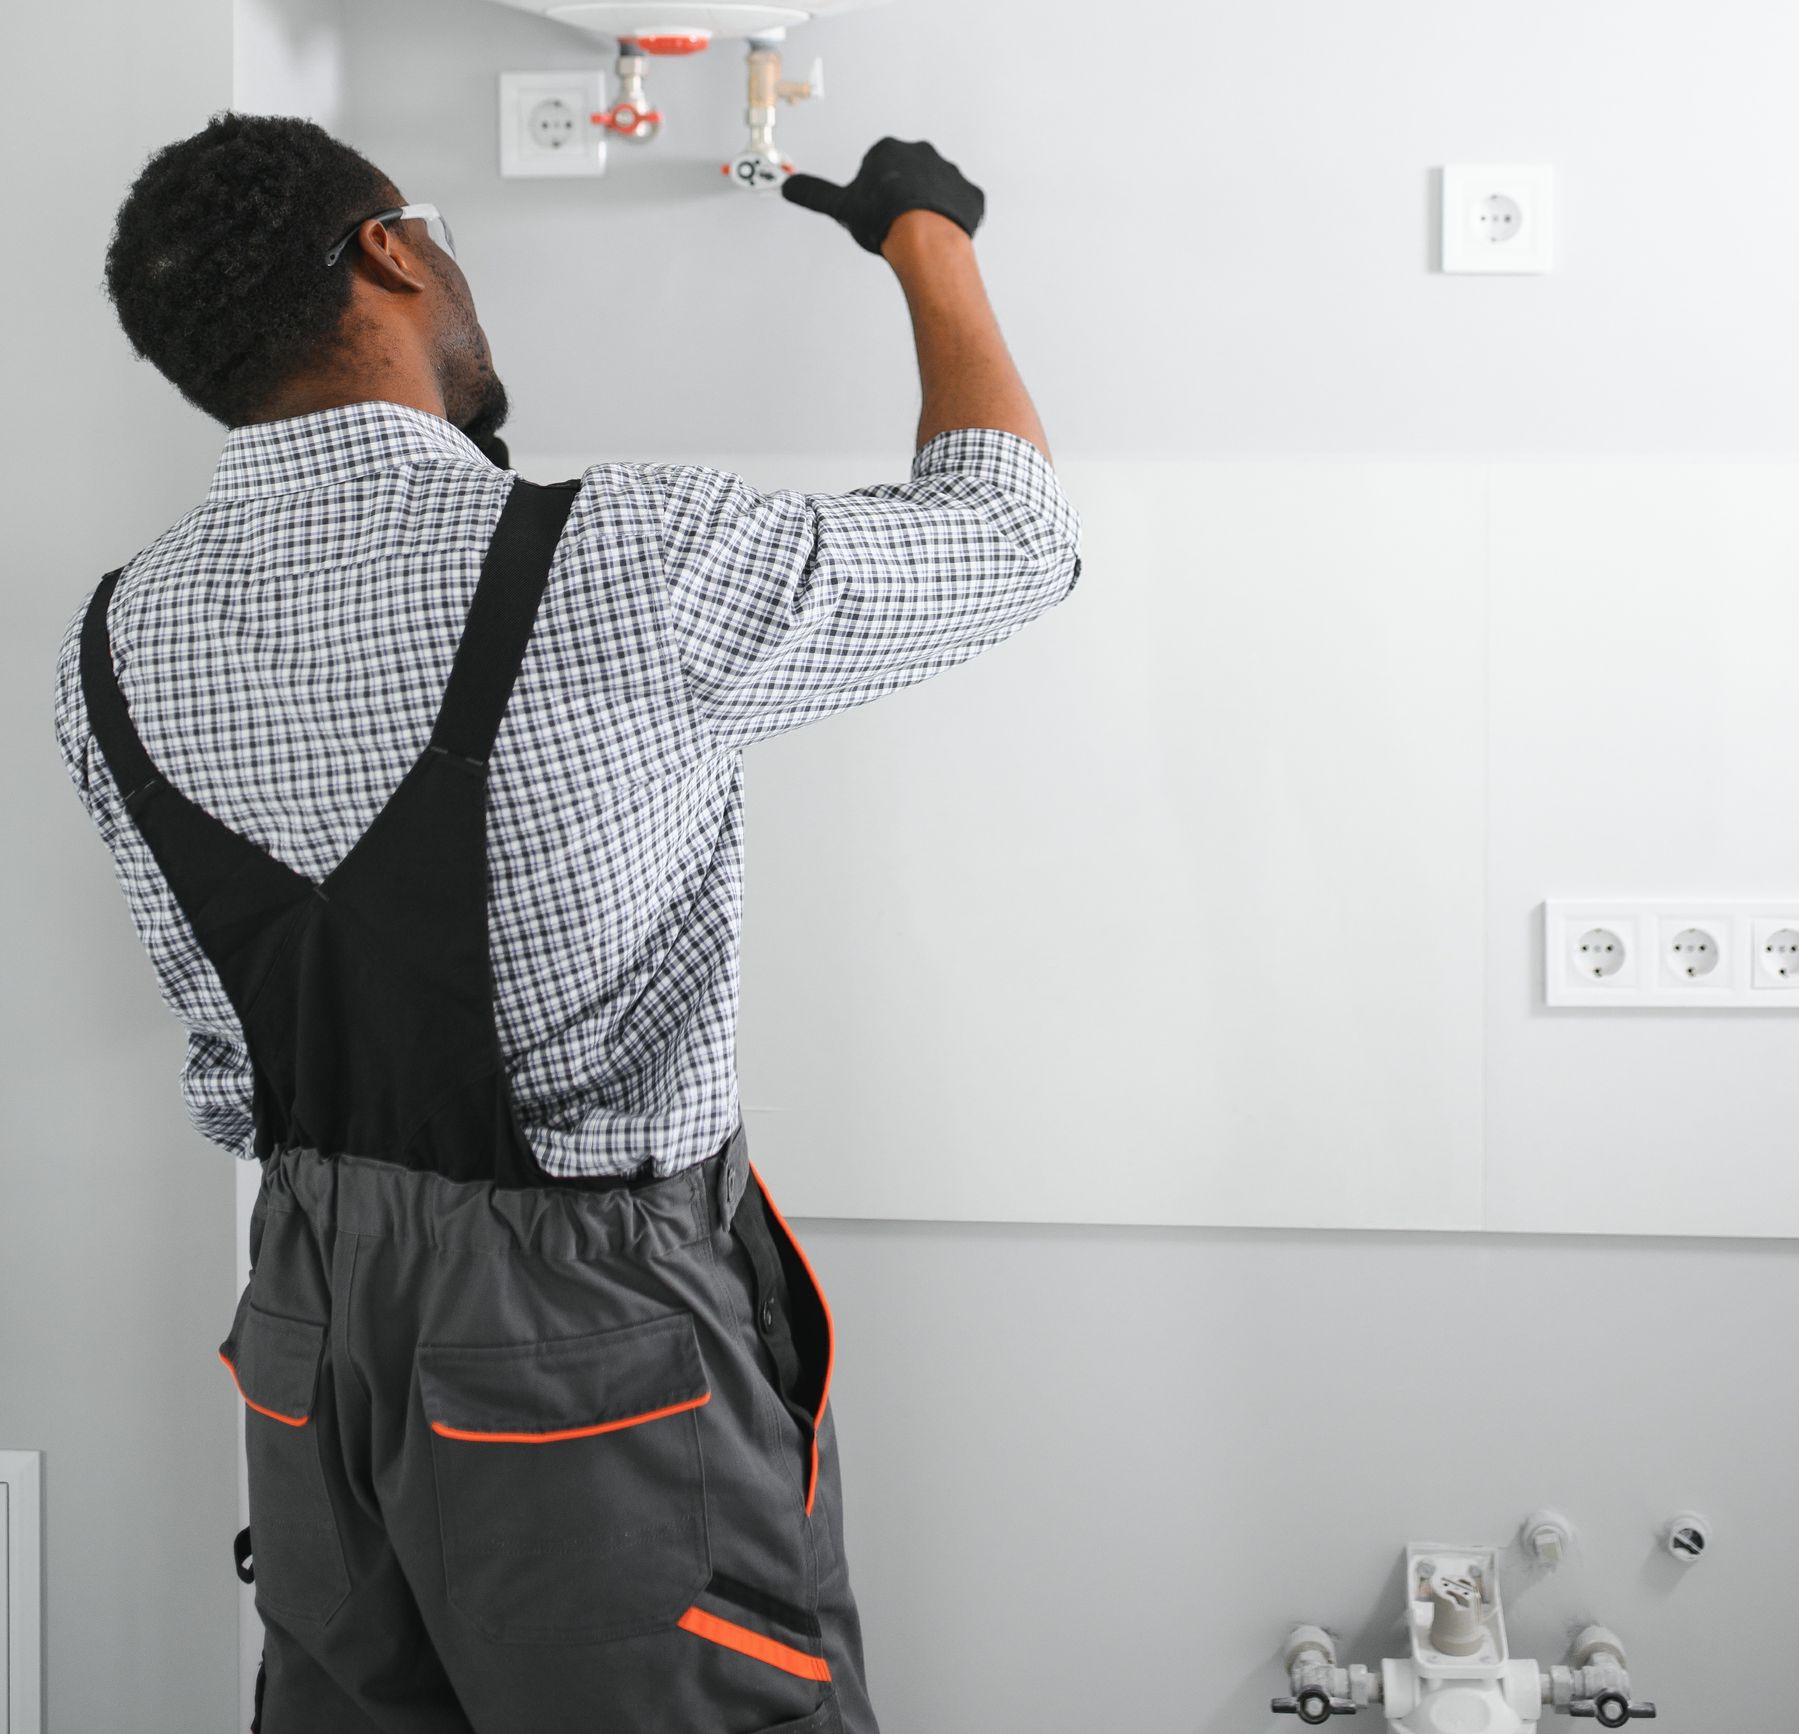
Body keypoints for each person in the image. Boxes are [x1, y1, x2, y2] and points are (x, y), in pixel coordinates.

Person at [54, 111, 1078, 1734]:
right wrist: (929, 241)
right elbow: (1013, 539)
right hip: (585, 1333)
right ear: (391, 252)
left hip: (310, 1314)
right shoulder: (622, 554)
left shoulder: (114, 640)